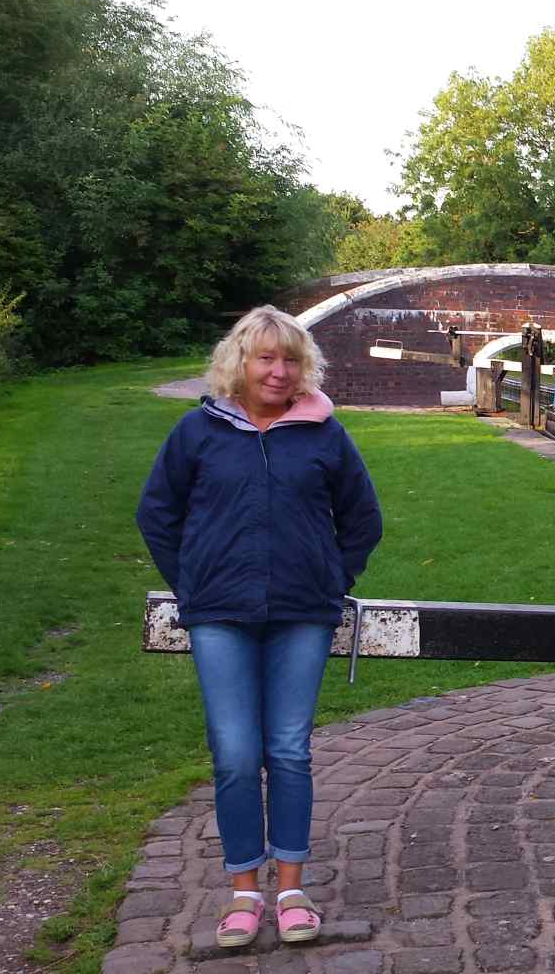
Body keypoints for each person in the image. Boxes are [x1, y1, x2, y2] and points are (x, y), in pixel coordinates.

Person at [136, 306, 382, 948]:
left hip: (302, 613)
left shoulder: (325, 434)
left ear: (305, 368)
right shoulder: (198, 432)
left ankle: (293, 890)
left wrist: (332, 579)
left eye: (290, 359)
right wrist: (193, 582)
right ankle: (245, 893)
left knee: (289, 750)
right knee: (238, 754)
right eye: (265, 358)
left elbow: (363, 519)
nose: (278, 371)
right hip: (219, 615)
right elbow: (157, 512)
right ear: (238, 364)